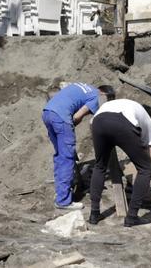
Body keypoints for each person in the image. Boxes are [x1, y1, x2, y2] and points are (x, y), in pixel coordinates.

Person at [87, 98, 151, 227]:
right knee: (145, 168)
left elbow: (92, 123)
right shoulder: (147, 120)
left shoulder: (125, 105)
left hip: (98, 122)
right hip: (122, 123)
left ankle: (94, 214)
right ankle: (132, 217)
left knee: (100, 166)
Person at [42, 82, 115, 210]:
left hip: (48, 112)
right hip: (61, 117)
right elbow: (77, 116)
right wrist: (67, 130)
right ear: (104, 95)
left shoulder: (85, 88)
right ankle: (63, 201)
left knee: (60, 156)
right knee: (67, 158)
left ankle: (60, 194)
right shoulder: (96, 97)